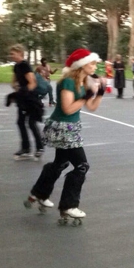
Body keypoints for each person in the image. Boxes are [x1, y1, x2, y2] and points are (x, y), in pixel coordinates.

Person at [23, 48, 105, 222]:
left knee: (61, 162)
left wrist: (99, 94)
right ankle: (68, 206)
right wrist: (86, 97)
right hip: (62, 127)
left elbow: (90, 106)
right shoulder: (68, 82)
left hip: (70, 127)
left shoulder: (83, 81)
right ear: (81, 65)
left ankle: (38, 193)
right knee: (82, 165)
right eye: (92, 63)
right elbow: (68, 109)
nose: (95, 66)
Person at [10, 44, 45, 161]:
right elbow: (14, 80)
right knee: (20, 122)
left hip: (31, 100)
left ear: (20, 53)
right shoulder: (16, 66)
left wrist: (24, 91)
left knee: (31, 123)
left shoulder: (25, 65)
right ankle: (26, 148)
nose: (11, 56)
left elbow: (33, 83)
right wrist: (15, 87)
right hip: (23, 99)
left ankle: (39, 148)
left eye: (13, 54)